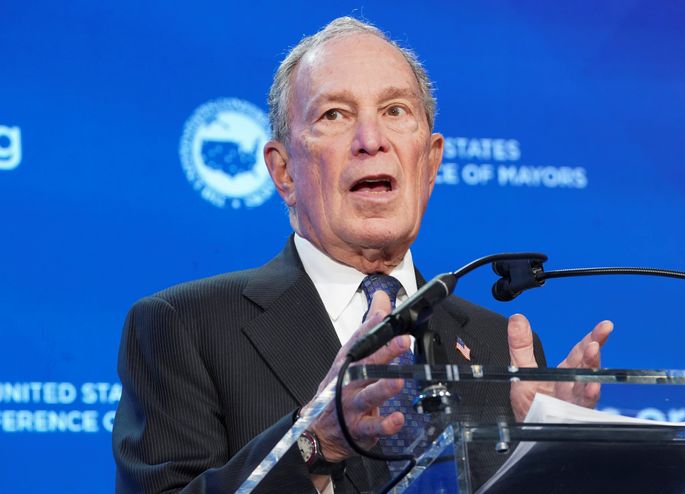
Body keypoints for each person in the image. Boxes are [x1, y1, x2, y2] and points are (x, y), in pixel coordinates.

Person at [112, 16, 613, 494]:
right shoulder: (185, 327)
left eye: (395, 111)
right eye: (335, 114)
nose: (371, 141)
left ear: (431, 160)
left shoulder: (500, 349)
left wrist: (549, 462)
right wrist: (315, 442)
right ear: (284, 171)